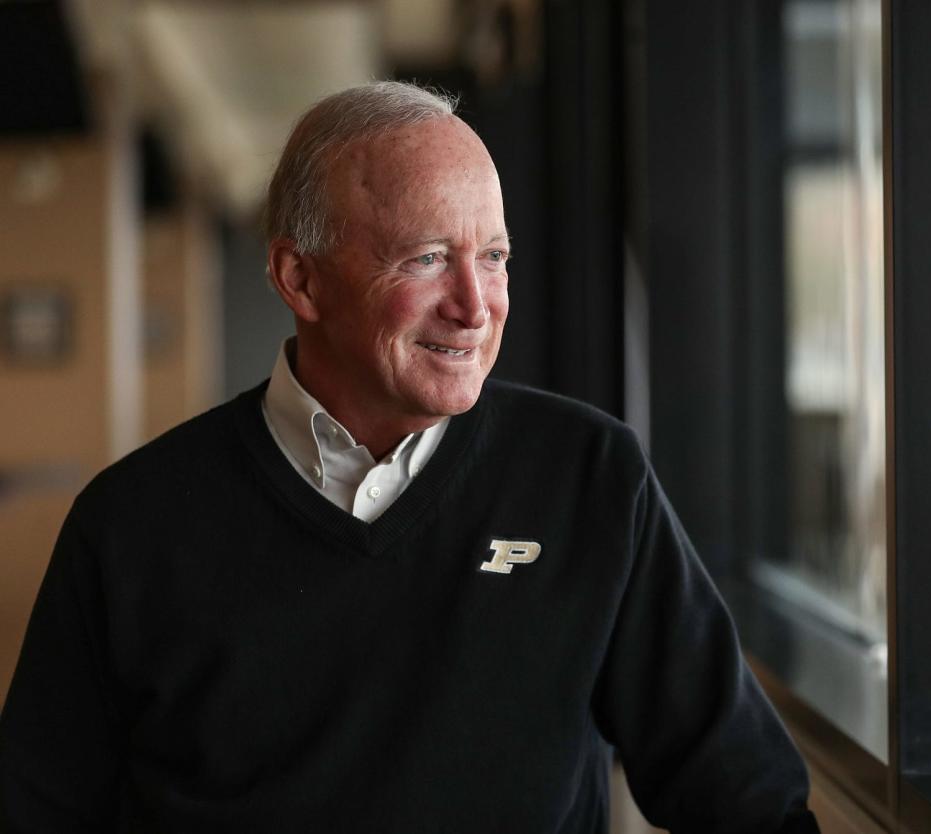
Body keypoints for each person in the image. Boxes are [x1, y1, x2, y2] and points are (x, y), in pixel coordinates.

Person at [0, 81, 819, 833]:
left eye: (492, 257)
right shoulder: (133, 522)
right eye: (426, 258)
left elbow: (746, 798)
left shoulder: (589, 476)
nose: (475, 306)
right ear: (300, 279)